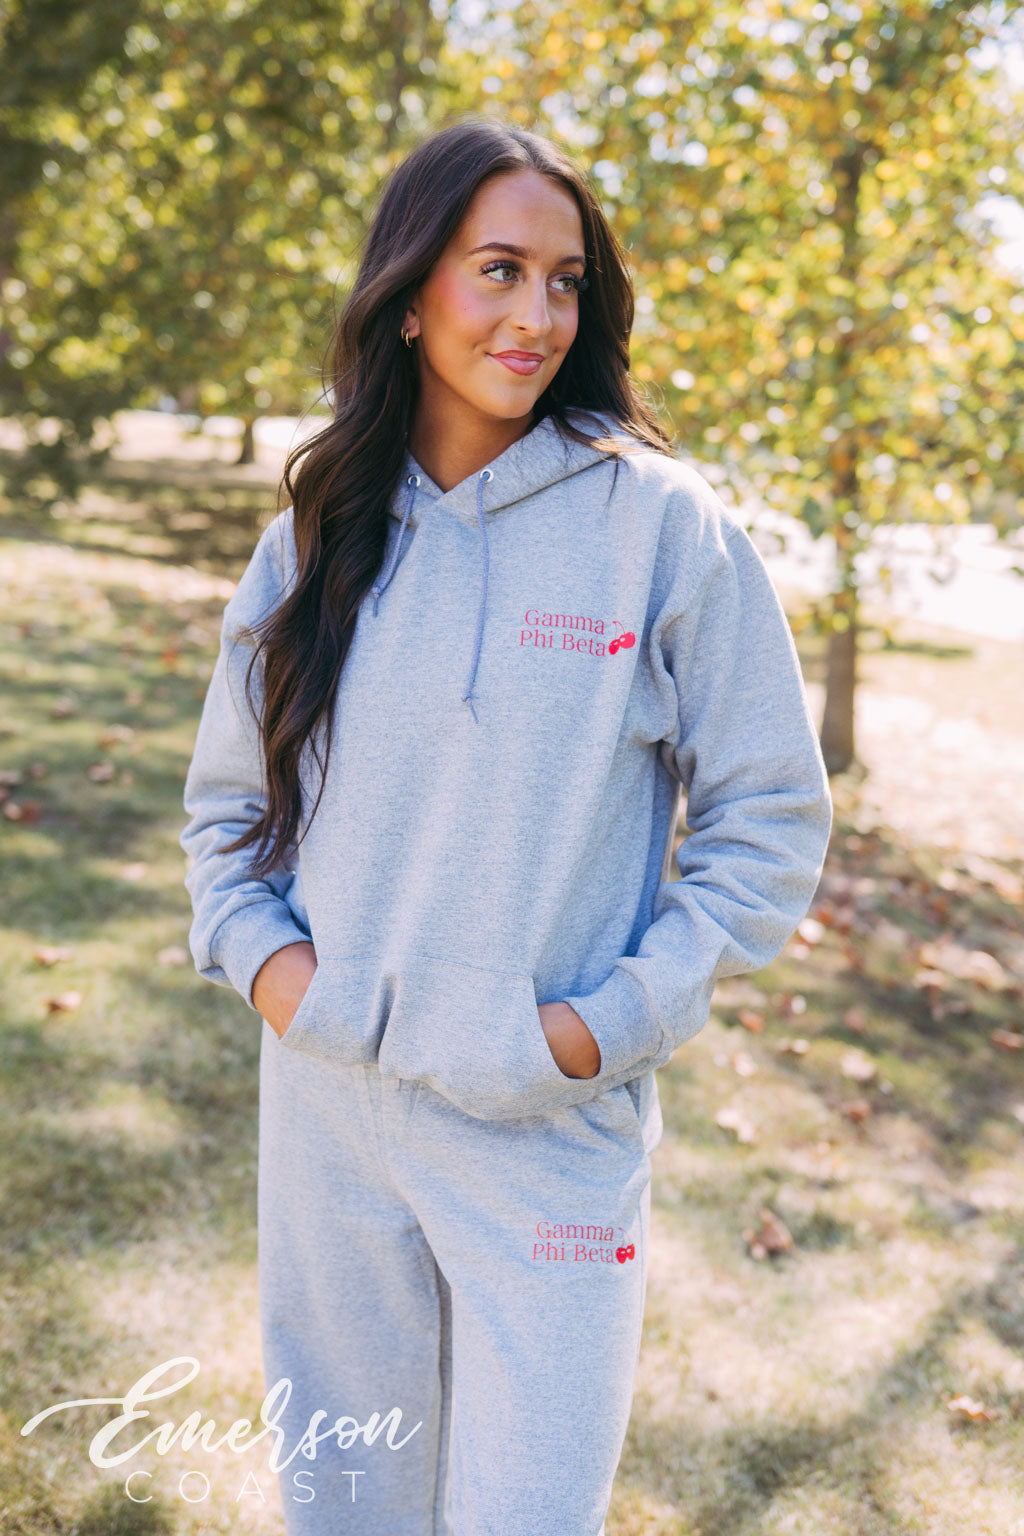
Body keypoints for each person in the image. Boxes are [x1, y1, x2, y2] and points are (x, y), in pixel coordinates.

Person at [179, 112, 833, 1536]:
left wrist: (603, 1028)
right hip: (330, 1120)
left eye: (565, 281)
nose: (537, 316)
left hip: (549, 1128)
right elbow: (227, 813)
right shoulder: (316, 535)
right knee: (346, 1507)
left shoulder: (660, 528)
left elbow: (770, 814)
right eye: (498, 270)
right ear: (411, 295)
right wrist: (285, 981)